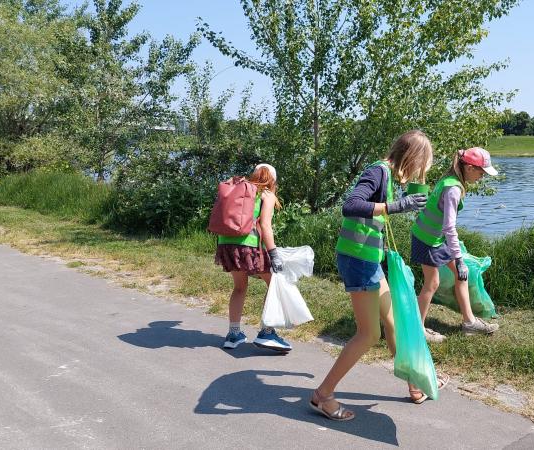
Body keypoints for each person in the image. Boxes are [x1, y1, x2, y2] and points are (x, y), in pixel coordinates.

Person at [310, 130, 442, 421]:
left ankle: (414, 382)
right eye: (422, 165)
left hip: (368, 258)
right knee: (369, 334)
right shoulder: (378, 172)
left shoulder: (389, 178)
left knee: (393, 323)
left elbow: (373, 217)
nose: (421, 172)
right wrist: (395, 207)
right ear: (412, 158)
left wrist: (401, 203)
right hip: (358, 259)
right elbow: (351, 205)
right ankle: (323, 394)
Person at [411, 147, 500, 343]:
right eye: (481, 172)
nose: (482, 177)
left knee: (462, 274)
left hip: (436, 238)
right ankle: (417, 330)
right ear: (469, 168)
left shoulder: (451, 179)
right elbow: (449, 227)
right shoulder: (453, 189)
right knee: (432, 283)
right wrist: (458, 257)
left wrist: (459, 260)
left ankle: (469, 323)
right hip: (427, 239)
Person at [214, 163, 291, 353]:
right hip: (249, 245)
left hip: (227, 243)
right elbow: (265, 226)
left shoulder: (241, 189)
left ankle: (233, 335)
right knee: (274, 285)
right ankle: (267, 332)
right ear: (272, 180)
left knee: (239, 287)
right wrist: (273, 253)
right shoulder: (267, 194)